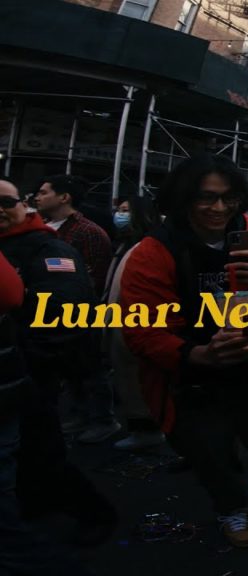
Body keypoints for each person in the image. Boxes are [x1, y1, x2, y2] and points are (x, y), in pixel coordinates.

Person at [119, 155, 248, 548]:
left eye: (228, 198)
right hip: (191, 377)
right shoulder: (154, 251)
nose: (218, 208)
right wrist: (199, 356)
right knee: (211, 451)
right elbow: (142, 328)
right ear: (182, 199)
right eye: (206, 198)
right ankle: (231, 508)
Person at [0, 179, 118, 547]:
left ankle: (91, 516)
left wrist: (36, 356)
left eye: (5, 202)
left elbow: (66, 310)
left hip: (31, 371)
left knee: (41, 449)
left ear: (23, 205)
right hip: (12, 372)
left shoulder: (49, 248)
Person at [33, 174, 118, 443]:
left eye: (44, 192)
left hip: (82, 312)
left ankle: (103, 419)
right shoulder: (42, 229)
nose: (37, 197)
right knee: (68, 368)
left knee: (90, 368)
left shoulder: (87, 231)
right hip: (48, 310)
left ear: (64, 197)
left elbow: (96, 276)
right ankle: (78, 414)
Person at [104, 196, 166, 451]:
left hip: (135, 322)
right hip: (119, 320)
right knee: (127, 378)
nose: (121, 215)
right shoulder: (124, 244)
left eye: (127, 211)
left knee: (139, 380)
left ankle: (148, 430)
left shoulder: (148, 246)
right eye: (119, 210)